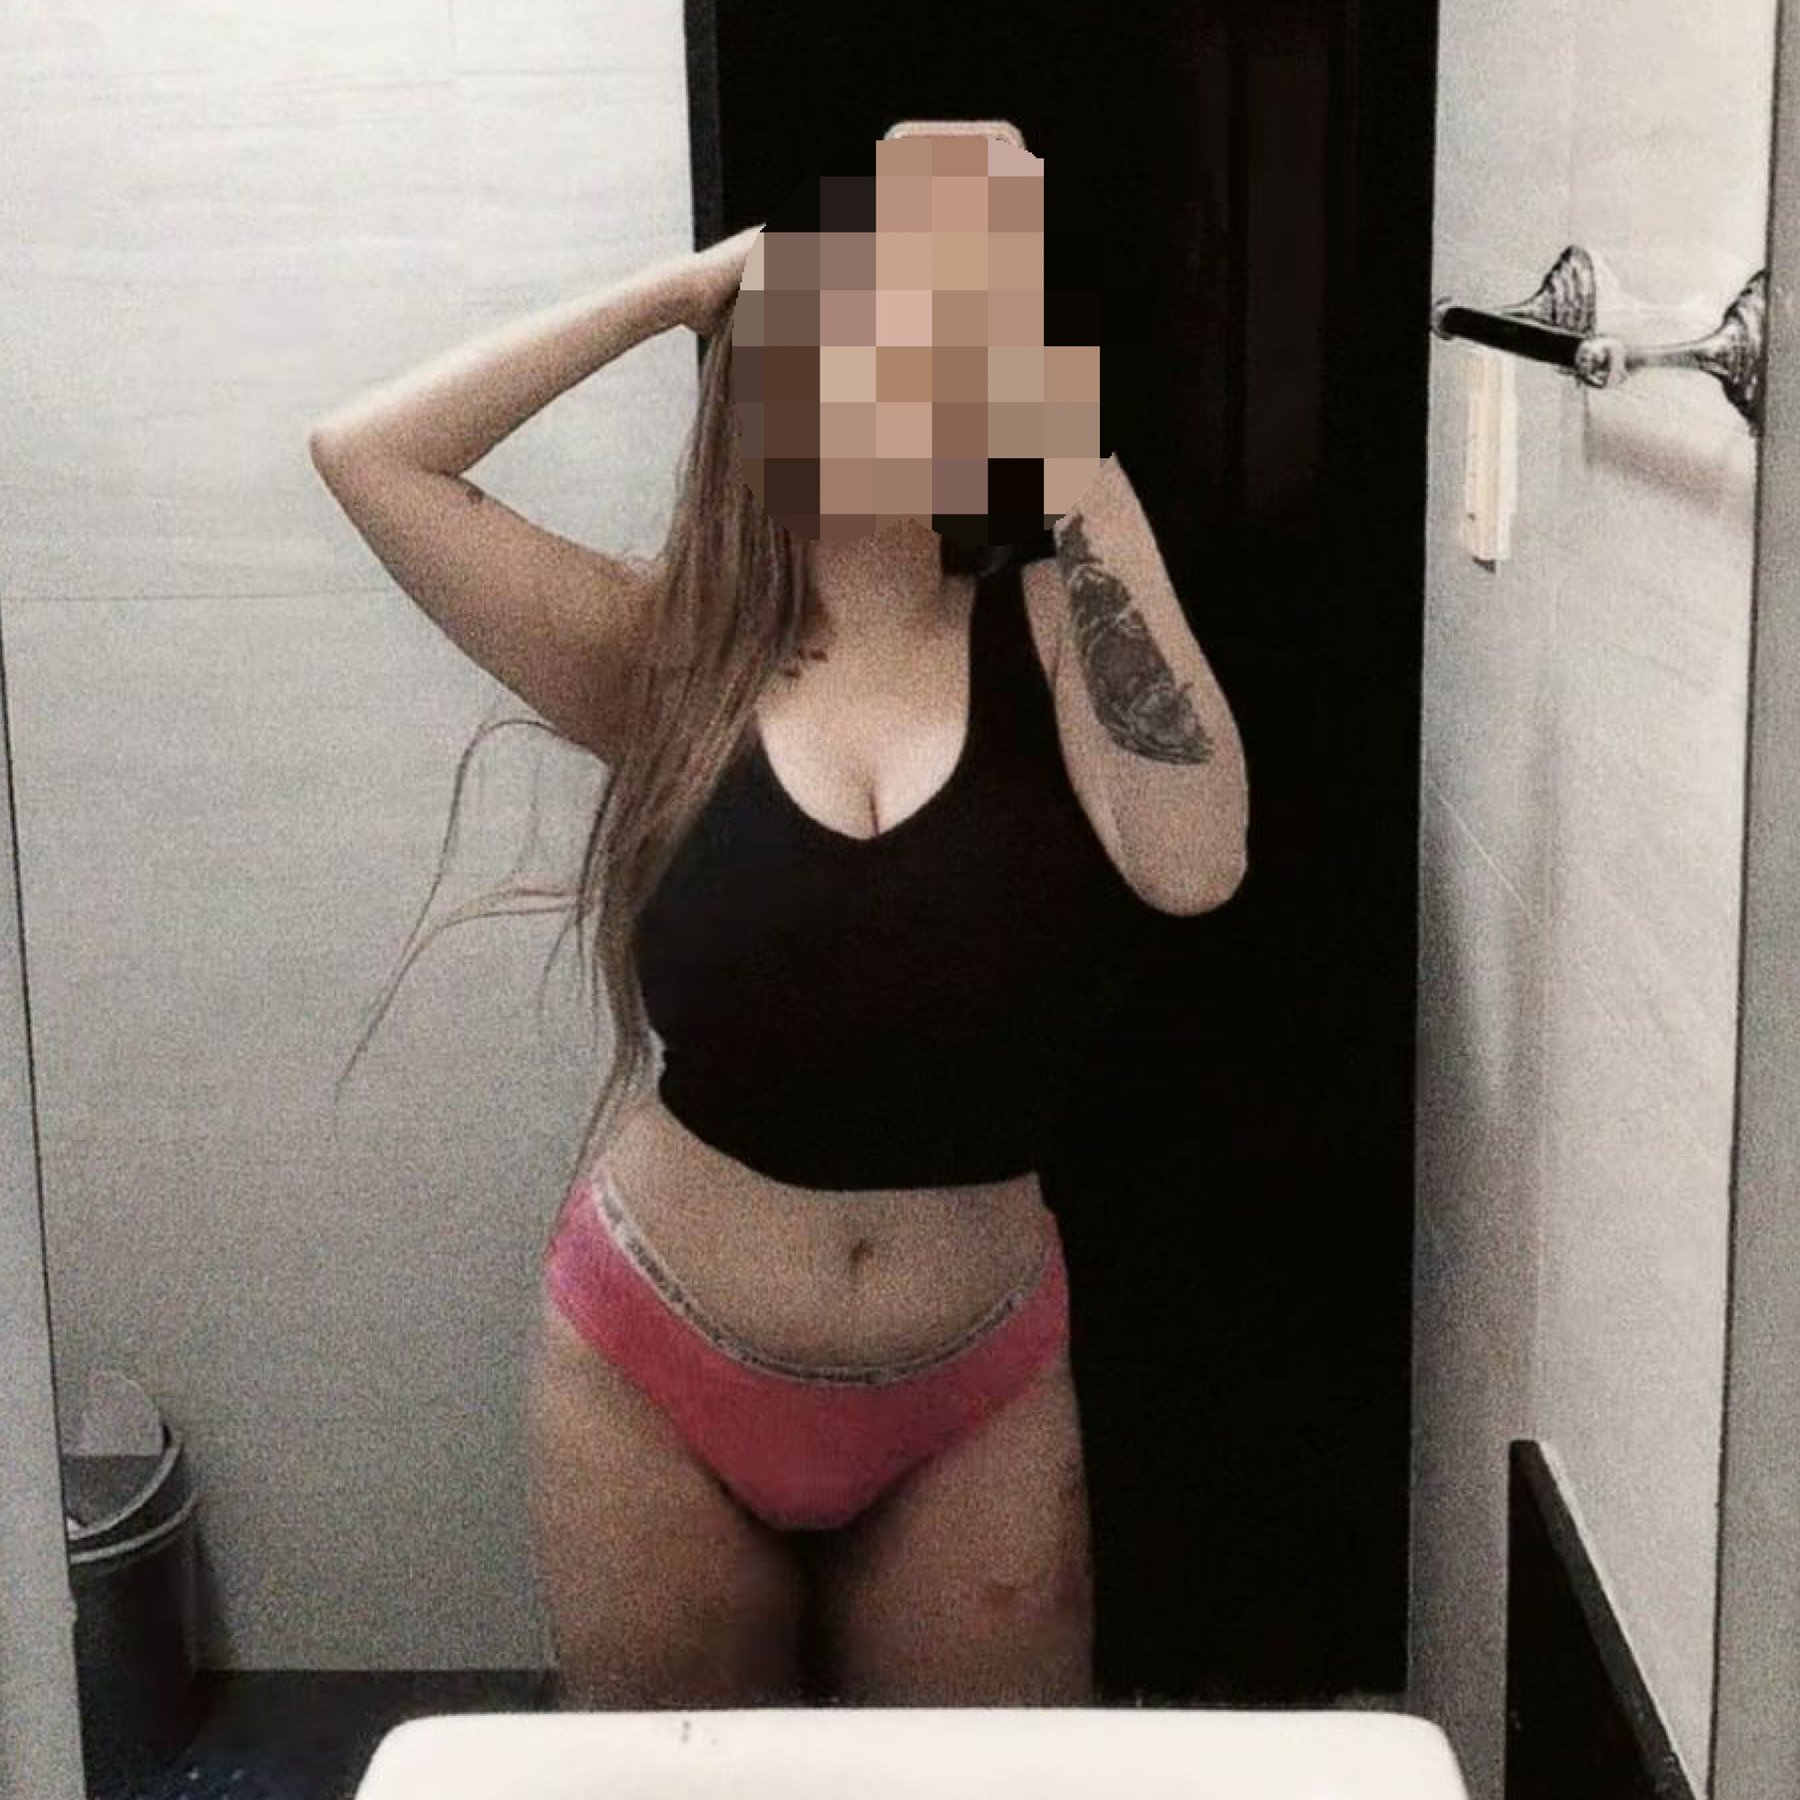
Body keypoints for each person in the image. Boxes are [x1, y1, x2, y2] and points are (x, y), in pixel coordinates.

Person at [309, 123, 1247, 1710]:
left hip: (973, 1391)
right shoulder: (664, 654)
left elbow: (1193, 861)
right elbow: (367, 454)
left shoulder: (1048, 628)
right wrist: (690, 288)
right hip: (656, 1373)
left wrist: (1066, 443)